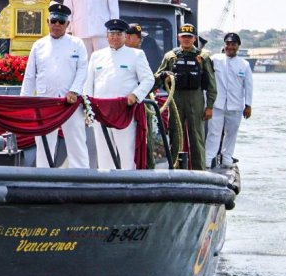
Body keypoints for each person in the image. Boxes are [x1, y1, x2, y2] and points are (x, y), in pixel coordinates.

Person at [20, 3, 89, 169]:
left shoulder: (77, 44)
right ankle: (44, 177)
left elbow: (82, 70)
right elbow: (30, 76)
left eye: (61, 22)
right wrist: (24, 102)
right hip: (45, 100)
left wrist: (74, 91)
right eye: (54, 20)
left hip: (70, 101)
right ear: (47, 21)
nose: (57, 24)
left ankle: (82, 178)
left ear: (67, 24)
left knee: (76, 140)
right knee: (44, 142)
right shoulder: (39, 45)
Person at [85, 19, 155, 170]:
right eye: (112, 34)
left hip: (124, 110)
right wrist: (87, 108)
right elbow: (88, 84)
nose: (115, 37)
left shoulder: (136, 54)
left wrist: (136, 95)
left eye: (119, 34)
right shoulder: (97, 56)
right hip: (100, 110)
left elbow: (148, 79)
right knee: (104, 153)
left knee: (126, 153)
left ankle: (129, 187)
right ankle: (107, 187)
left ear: (125, 36)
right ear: (107, 35)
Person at [154, 24, 217, 171]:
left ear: (194, 38)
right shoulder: (170, 57)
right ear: (179, 38)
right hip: (176, 99)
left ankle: (199, 171)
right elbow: (158, 76)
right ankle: (174, 169)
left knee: (197, 137)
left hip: (196, 99)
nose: (186, 40)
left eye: (189, 37)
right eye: (184, 37)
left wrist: (210, 106)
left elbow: (212, 84)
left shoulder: (203, 57)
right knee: (175, 135)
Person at [205, 32, 253, 168]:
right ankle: (208, 158)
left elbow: (248, 86)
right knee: (214, 132)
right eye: (228, 44)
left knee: (231, 133)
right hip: (217, 104)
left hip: (236, 105)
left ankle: (226, 157)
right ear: (224, 45)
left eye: (233, 44)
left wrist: (248, 105)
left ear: (238, 46)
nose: (230, 47)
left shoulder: (244, 65)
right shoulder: (215, 59)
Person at [125, 22, 158, 170]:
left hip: (139, 102)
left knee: (145, 137)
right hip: (125, 105)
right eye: (138, 38)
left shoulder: (139, 55)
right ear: (129, 37)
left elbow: (148, 79)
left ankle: (147, 167)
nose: (140, 41)